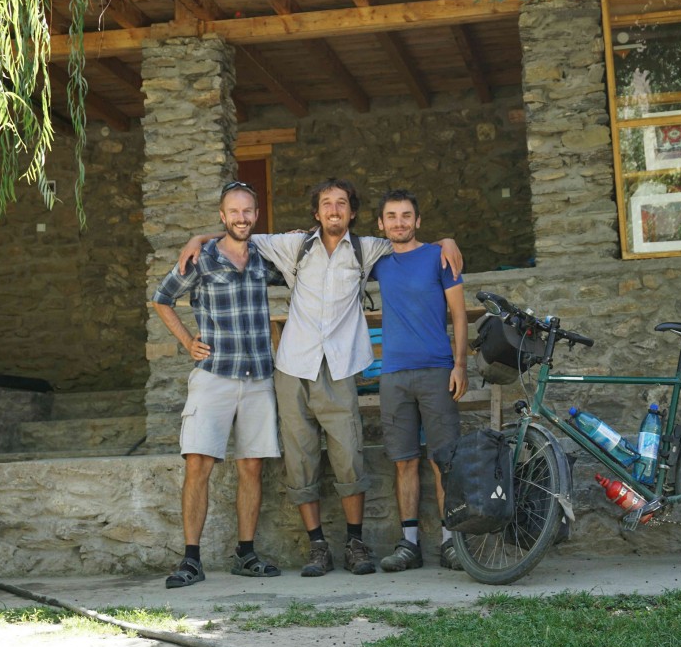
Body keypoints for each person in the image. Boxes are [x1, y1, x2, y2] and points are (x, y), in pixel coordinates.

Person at [178, 178, 462, 578]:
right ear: (316, 212)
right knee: (300, 460)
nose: (334, 210)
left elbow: (410, 242)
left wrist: (446, 241)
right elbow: (241, 233)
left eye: (341, 204)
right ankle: (317, 547)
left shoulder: (369, 248)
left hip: (341, 366)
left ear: (353, 212)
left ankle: (354, 542)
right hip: (293, 367)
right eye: (326, 204)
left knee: (349, 458)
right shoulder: (294, 245)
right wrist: (199, 237)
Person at [152, 181, 283, 588]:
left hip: (259, 375)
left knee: (252, 467)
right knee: (198, 464)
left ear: (255, 216)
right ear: (222, 216)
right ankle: (191, 559)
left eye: (248, 211)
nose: (241, 218)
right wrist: (188, 341)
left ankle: (246, 554)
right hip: (214, 377)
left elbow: (305, 251)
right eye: (233, 211)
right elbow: (162, 298)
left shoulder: (267, 257)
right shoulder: (202, 258)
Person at [370, 189, 468, 572]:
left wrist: (459, 365)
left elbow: (459, 316)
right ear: (380, 224)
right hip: (393, 374)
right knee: (403, 461)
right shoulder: (377, 261)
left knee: (443, 460)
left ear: (418, 220)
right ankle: (409, 545)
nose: (399, 222)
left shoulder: (439, 256)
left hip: (437, 370)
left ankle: (451, 542)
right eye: (391, 216)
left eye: (406, 215)